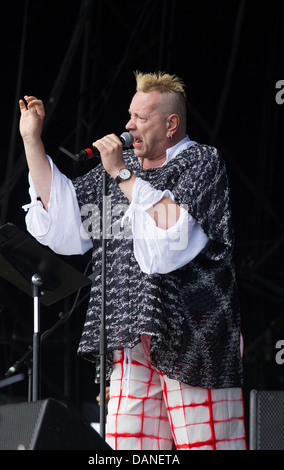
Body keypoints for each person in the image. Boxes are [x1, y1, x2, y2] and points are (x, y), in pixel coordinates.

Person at [19, 71, 247, 450]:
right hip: (129, 333)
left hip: (195, 335)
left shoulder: (201, 162)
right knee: (128, 447)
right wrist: (32, 141)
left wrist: (122, 173)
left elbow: (173, 235)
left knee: (206, 445)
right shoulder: (119, 172)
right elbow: (63, 212)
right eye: (129, 115)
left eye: (141, 118)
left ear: (171, 124)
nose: (128, 125)